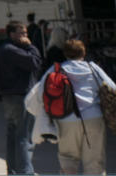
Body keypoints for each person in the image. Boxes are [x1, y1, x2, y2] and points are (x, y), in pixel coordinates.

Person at [25, 38, 116, 175]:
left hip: (66, 120)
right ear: (83, 52)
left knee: (68, 161)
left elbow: (38, 96)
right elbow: (112, 88)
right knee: (94, 162)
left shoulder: (56, 70)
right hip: (94, 119)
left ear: (65, 53)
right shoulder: (93, 68)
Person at [0, 20, 42, 174]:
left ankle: (13, 169)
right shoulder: (12, 50)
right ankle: (25, 171)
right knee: (24, 135)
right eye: (21, 33)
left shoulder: (3, 49)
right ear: (11, 34)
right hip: (20, 96)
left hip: (9, 95)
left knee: (13, 135)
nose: (25, 36)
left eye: (26, 33)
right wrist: (30, 46)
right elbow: (34, 62)